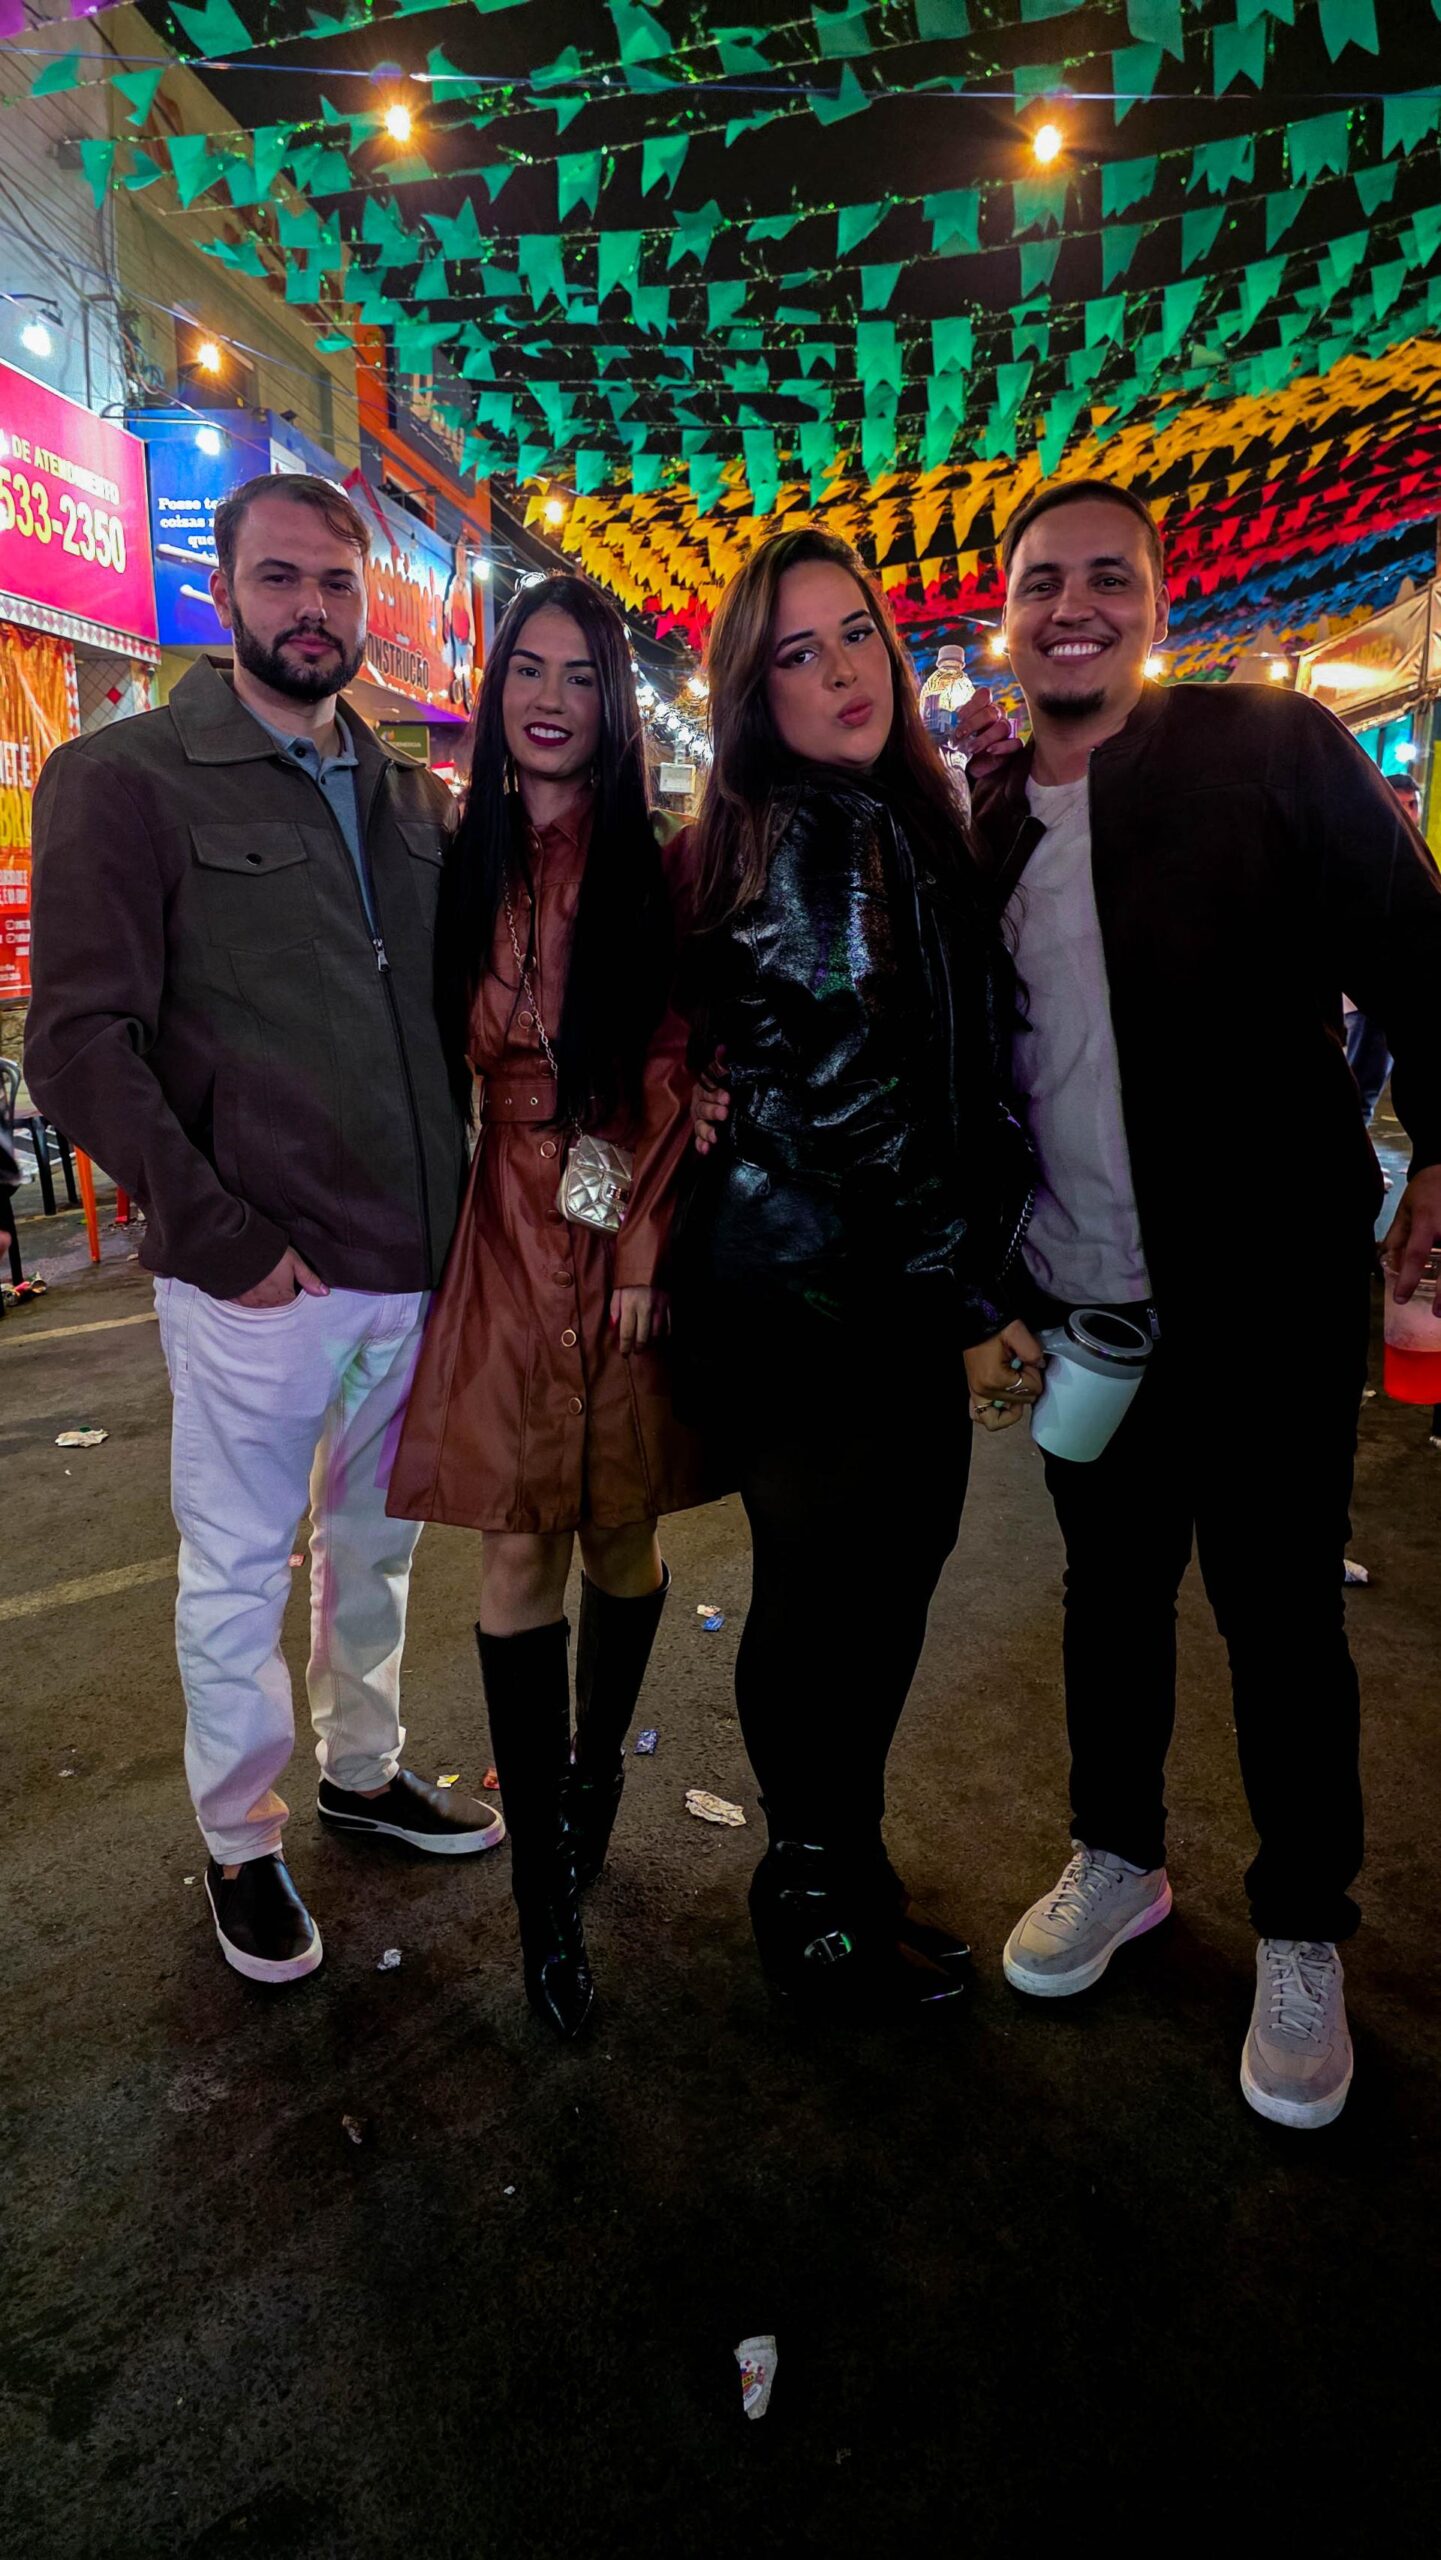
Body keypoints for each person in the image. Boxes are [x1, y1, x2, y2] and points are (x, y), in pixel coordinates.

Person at [966, 479, 1441, 2129]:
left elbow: (1417, 948)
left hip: (1267, 1293)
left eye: (1108, 578)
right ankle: (1119, 1858)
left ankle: (1303, 1929)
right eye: (1043, 581)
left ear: (1157, 609)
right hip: (1086, 1305)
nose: (1073, 606)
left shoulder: (1268, 749)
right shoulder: (989, 820)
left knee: (1280, 1617)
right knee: (1107, 1597)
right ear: (1004, 616)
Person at [26, 472, 502, 1989]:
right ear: (222, 591)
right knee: (235, 1566)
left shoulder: (413, 801)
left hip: (411, 1264)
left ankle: (364, 1771)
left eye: (337, 583)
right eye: (282, 578)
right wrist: (220, 1235)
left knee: (377, 1550)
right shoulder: (126, 778)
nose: (312, 608)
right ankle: (240, 1840)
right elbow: (78, 1044)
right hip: (256, 1279)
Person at [675, 525, 1039, 2017]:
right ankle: (814, 1903)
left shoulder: (874, 813)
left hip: (829, 1280)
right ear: (754, 690)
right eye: (798, 651)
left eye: (856, 636)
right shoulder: (821, 828)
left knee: (853, 1594)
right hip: (828, 1295)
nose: (842, 672)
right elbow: (858, 1096)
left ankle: (837, 1872)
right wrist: (970, 1304)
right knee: (844, 1601)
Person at [387, 574, 714, 2040]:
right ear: (496, 683)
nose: (552, 699)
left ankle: (594, 1785)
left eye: (583, 677)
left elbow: (669, 1062)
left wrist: (640, 1249)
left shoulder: (656, 868)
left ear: (614, 708)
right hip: (501, 1230)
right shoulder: (451, 852)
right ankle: (543, 1908)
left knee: (620, 1528)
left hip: (618, 1196)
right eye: (531, 669)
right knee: (516, 1539)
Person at [1343, 774, 1426, 1121]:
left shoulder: (1415, 854)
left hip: (1401, 987)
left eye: (1412, 804)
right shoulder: (1366, 851)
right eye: (1398, 803)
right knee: (1361, 1084)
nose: (1407, 812)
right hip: (1371, 990)